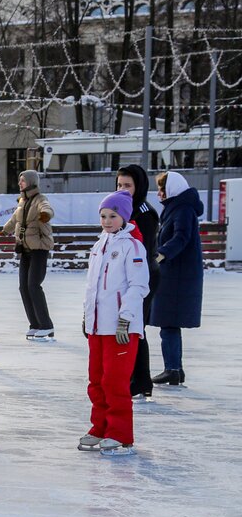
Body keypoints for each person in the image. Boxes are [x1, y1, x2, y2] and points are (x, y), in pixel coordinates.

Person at [79, 191, 148, 456]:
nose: (107, 221)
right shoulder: (100, 244)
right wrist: (87, 317)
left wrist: (125, 319)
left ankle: (120, 434)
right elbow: (92, 287)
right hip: (98, 327)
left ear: (124, 217)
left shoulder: (132, 246)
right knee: (96, 380)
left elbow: (139, 285)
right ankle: (99, 427)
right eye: (103, 216)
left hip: (121, 328)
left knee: (115, 381)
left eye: (113, 216)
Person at [149, 171, 203, 387]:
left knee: (168, 322)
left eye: (162, 188)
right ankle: (175, 369)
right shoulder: (178, 206)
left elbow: (181, 236)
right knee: (169, 323)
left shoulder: (182, 209)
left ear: (172, 189)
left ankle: (172, 369)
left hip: (177, 275)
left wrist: (162, 253)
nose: (159, 193)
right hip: (176, 273)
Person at [116, 165, 160, 400]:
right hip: (125, 277)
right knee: (130, 326)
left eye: (128, 186)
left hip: (143, 277)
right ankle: (133, 378)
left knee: (135, 327)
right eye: (120, 185)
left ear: (139, 186)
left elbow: (143, 251)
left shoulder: (143, 212)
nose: (123, 189)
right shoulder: (121, 208)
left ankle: (141, 381)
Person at [3, 169, 55, 341]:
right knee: (23, 287)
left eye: (22, 180)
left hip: (39, 248)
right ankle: (35, 324)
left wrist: (45, 215)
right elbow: (14, 220)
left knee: (34, 285)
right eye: (19, 180)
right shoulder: (22, 202)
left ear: (31, 182)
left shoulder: (40, 199)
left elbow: (46, 209)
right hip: (24, 249)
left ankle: (46, 325)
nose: (20, 183)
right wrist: (3, 231)